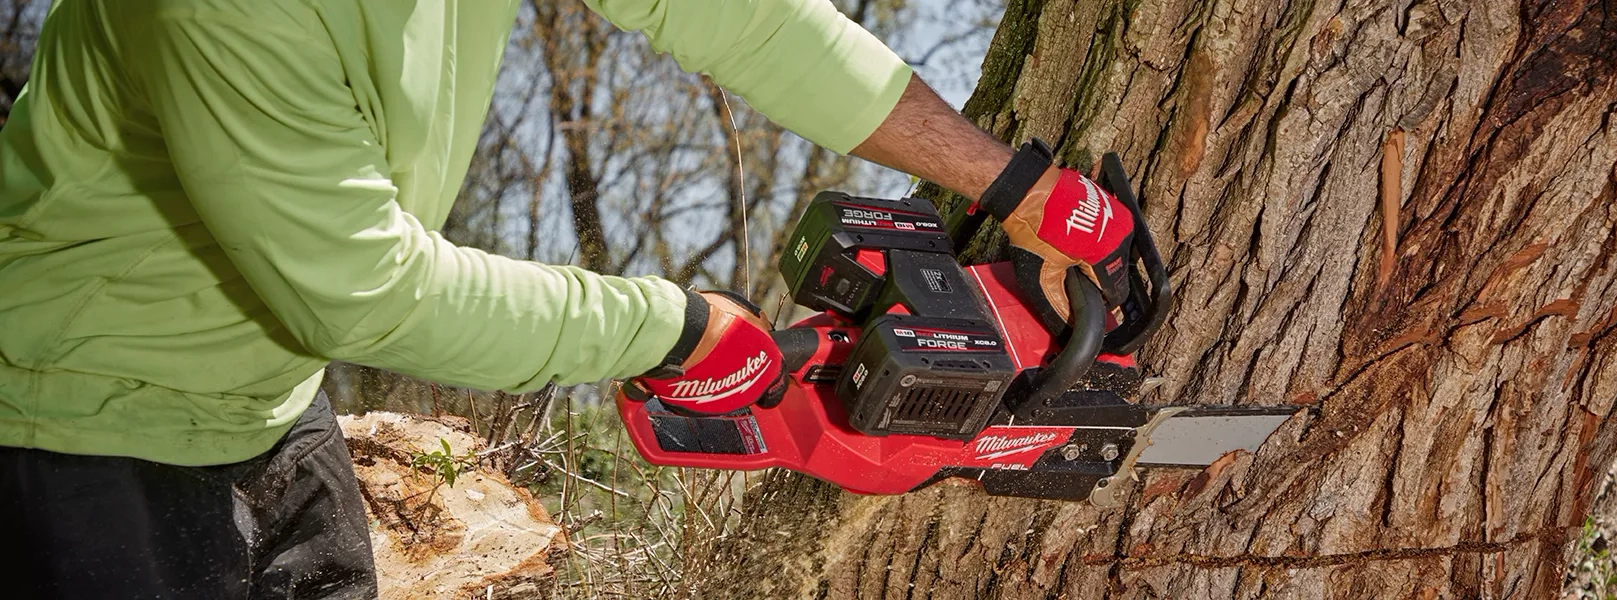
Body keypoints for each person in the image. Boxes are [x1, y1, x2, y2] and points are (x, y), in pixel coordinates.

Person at [0, 0, 1133, 597]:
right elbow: (359, 291)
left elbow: (749, 21)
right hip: (73, 422)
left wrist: (1011, 184)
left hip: (270, 411)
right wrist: (672, 329)